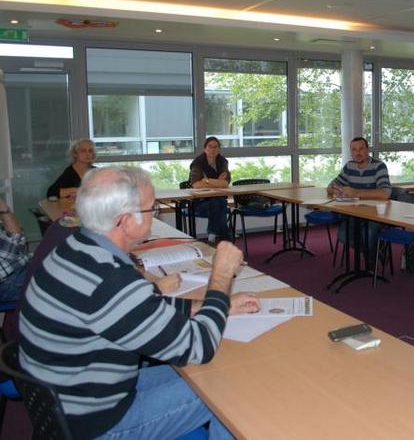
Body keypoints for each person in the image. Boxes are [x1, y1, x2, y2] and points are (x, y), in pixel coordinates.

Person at [20, 166, 260, 439]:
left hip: (77, 395)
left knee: (217, 372)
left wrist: (220, 306)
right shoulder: (109, 279)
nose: (155, 214)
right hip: (99, 422)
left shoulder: (76, 249)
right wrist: (220, 279)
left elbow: (142, 310)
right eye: (151, 209)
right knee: (228, 388)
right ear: (125, 220)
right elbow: (198, 346)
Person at [327, 137, 391, 267]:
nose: (358, 153)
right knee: (343, 236)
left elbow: (385, 193)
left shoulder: (379, 166)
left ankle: (371, 262)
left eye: (361, 149)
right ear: (351, 152)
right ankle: (373, 251)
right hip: (354, 214)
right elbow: (330, 187)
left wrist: (356, 192)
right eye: (354, 150)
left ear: (367, 150)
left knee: (368, 233)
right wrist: (337, 190)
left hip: (375, 215)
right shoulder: (349, 166)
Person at [190, 137, 231, 242]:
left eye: (215, 147)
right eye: (210, 147)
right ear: (205, 148)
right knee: (219, 204)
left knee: (218, 202)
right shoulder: (198, 163)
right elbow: (196, 184)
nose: (213, 149)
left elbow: (225, 183)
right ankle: (224, 238)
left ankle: (212, 237)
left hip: (218, 199)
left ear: (219, 149)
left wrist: (207, 181)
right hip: (200, 202)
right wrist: (217, 182)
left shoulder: (222, 161)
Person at [0, 197, 30, 302]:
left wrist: (4, 209)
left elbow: (18, 238)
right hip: (8, 283)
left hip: (18, 268)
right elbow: (16, 237)